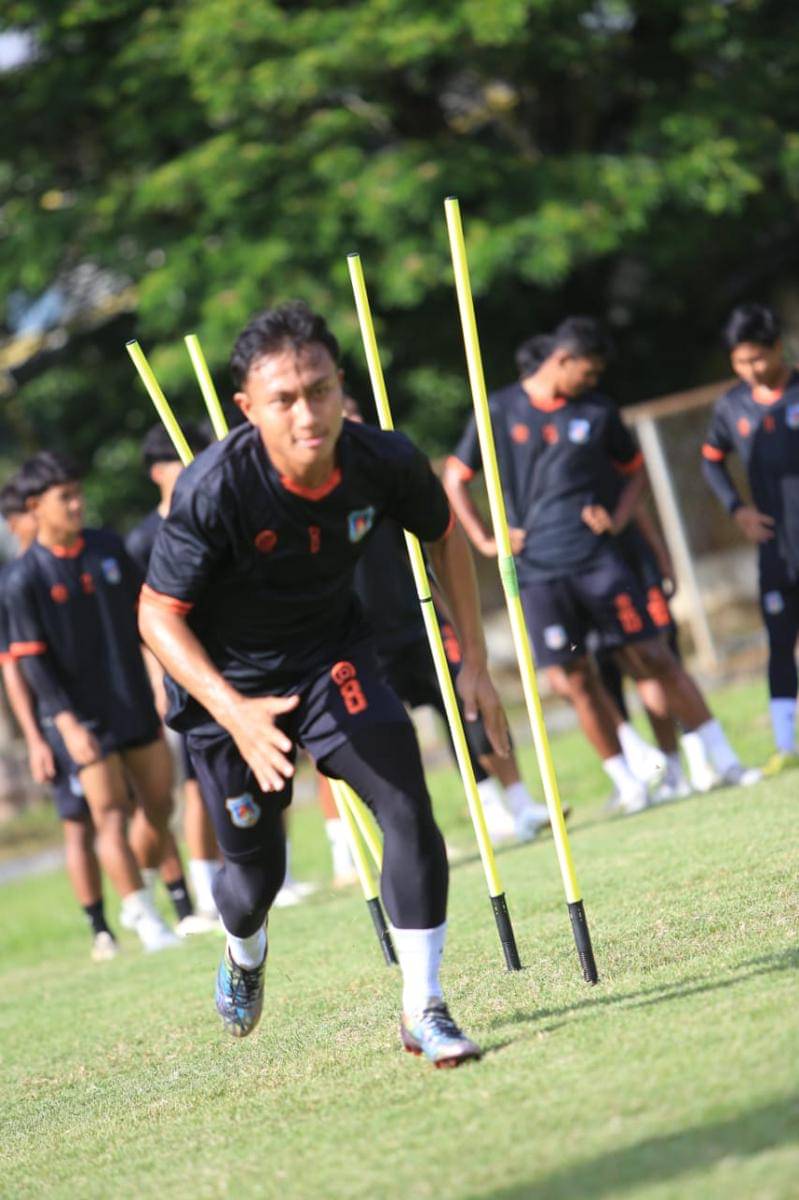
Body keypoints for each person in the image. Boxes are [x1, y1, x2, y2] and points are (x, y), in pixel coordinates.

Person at [139, 301, 510, 1066]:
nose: (307, 414)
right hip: (227, 687)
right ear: (248, 408)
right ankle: (244, 954)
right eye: (284, 399)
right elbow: (156, 614)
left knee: (405, 805)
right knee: (255, 880)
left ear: (341, 385)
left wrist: (473, 660)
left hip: (329, 658)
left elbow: (444, 536)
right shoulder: (215, 487)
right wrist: (234, 712)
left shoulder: (382, 459)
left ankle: (424, 1008)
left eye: (319, 390)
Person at [444, 317, 758, 814]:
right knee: (571, 679)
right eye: (586, 372)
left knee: (654, 656)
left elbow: (635, 471)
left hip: (598, 562)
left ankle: (726, 760)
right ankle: (627, 783)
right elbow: (455, 478)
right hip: (537, 571)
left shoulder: (597, 411)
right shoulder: (498, 410)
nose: (591, 382)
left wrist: (617, 516)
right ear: (562, 359)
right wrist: (487, 537)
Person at [338, 395, 551, 849]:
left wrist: (451, 617)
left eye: (354, 413)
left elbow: (431, 549)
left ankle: (517, 802)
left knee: (470, 703)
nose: (351, 421)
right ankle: (414, 832)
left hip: (418, 621)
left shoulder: (383, 475)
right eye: (342, 415)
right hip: (359, 639)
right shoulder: (311, 495)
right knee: (386, 737)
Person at [5, 451, 185, 952]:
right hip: (80, 717)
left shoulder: (108, 548)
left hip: (131, 699)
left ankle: (138, 885)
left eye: (79, 494)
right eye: (66, 497)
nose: (77, 504)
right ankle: (144, 916)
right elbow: (31, 663)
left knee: (159, 804)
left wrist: (159, 678)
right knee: (108, 814)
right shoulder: (23, 580)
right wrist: (64, 723)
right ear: (36, 506)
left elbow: (146, 618)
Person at [0, 479, 117, 962]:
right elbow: (14, 667)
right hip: (55, 721)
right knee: (79, 823)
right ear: (18, 520)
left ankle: (155, 902)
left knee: (119, 808)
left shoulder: (74, 561)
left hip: (103, 708)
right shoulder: (15, 582)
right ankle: (100, 928)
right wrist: (35, 737)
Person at [126, 423, 222, 927]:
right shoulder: (143, 539)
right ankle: (205, 892)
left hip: (231, 660)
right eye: (181, 459)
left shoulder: (212, 513)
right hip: (181, 671)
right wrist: (158, 678)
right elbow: (144, 622)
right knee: (196, 782)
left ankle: (275, 873)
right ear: (157, 471)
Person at [703, 302, 799, 775]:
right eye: (741, 362)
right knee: (780, 641)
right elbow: (710, 461)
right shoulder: (731, 406)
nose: (751, 369)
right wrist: (737, 510)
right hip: (776, 547)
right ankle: (787, 744)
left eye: (758, 358)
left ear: (777, 348)